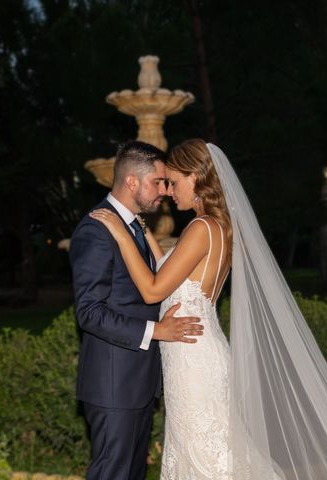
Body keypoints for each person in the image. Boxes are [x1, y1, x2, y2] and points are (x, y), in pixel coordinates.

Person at [91, 139, 327, 480]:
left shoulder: (198, 228)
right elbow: (170, 269)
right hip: (197, 350)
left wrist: (121, 235)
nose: (168, 192)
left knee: (208, 457)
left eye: (174, 182)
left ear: (196, 177)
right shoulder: (219, 227)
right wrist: (142, 228)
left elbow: (152, 290)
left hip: (192, 358)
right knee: (210, 450)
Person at [69, 141, 204, 480]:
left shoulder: (134, 226)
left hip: (138, 382)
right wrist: (158, 331)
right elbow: (89, 311)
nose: (164, 190)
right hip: (113, 384)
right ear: (131, 181)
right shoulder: (96, 230)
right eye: (157, 182)